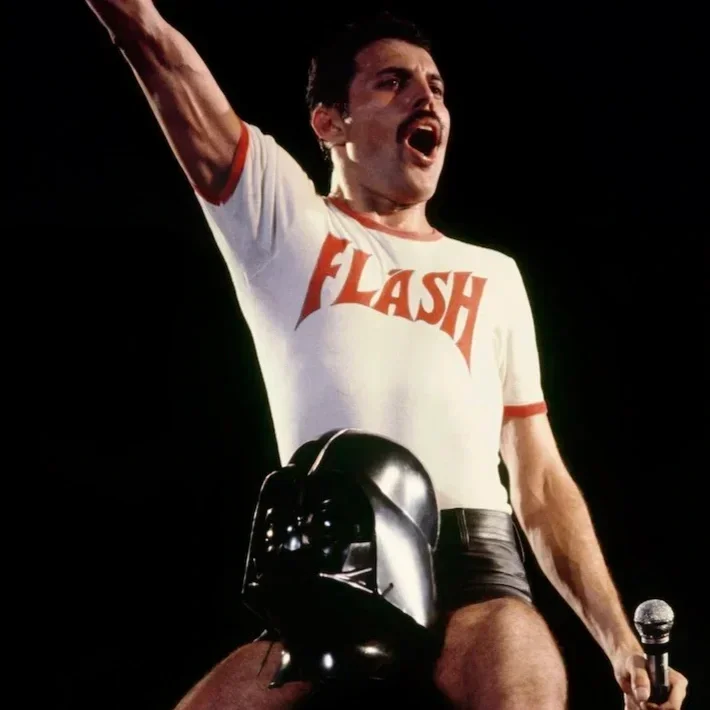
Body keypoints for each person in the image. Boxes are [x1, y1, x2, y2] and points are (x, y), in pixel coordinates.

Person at [84, 3, 688, 710]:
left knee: (521, 667)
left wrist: (619, 643)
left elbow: (540, 480)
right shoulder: (284, 222)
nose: (426, 97)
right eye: (393, 82)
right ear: (329, 122)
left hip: (473, 569)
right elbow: (154, 46)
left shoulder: (494, 275)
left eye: (436, 87)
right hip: (325, 565)